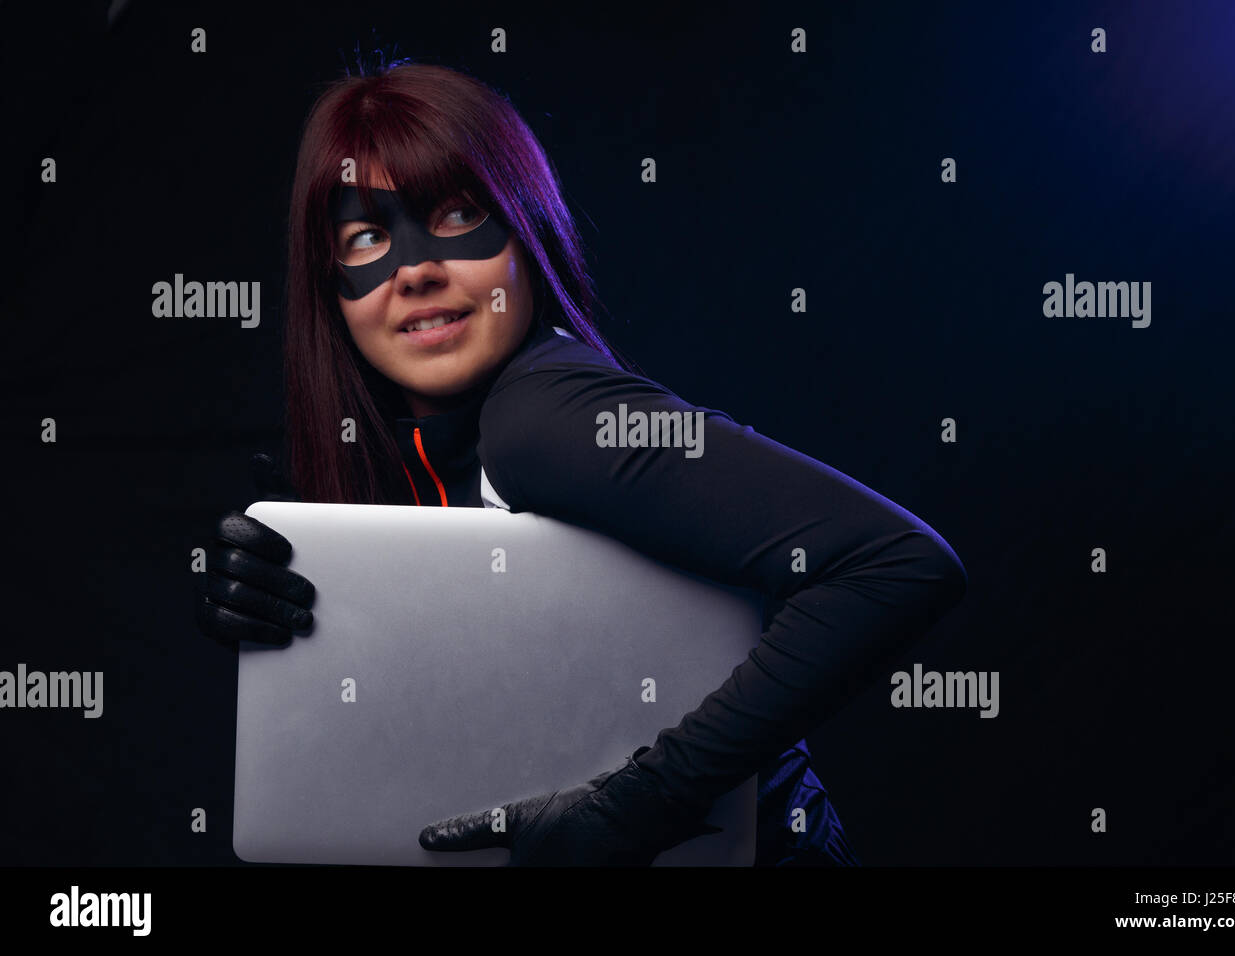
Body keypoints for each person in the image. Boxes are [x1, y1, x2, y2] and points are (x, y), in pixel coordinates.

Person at [195, 62, 966, 867]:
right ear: (332, 289)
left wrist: (638, 806)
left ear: (527, 234)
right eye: (366, 237)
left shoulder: (546, 421)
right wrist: (292, 618)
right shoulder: (407, 450)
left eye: (458, 214)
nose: (414, 270)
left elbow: (895, 563)